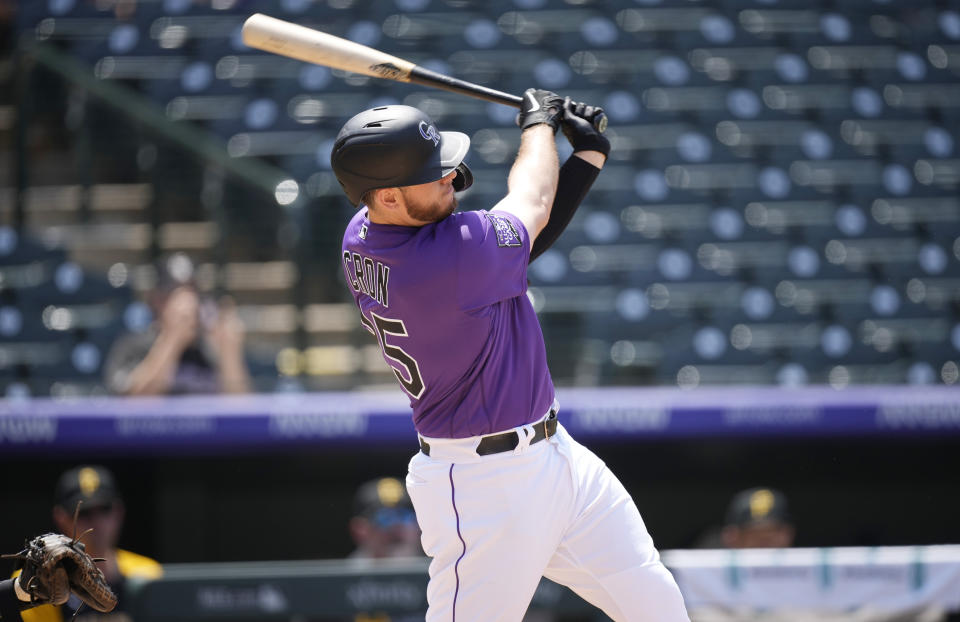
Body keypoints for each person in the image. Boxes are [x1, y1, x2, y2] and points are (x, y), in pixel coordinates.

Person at [331, 91, 690, 621]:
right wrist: (538, 125)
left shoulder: (363, 235)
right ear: (385, 196)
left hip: (555, 456)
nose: (450, 178)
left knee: (653, 601)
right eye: (432, 175)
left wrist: (584, 159)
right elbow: (532, 204)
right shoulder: (448, 259)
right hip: (483, 487)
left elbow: (519, 245)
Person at [15, 465, 162, 622]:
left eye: (104, 509)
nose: (97, 522)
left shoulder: (149, 574)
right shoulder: (37, 581)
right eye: (84, 512)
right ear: (61, 518)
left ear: (119, 511)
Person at [103, 252, 251, 395]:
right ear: (155, 299)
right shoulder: (132, 346)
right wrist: (173, 338)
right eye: (172, 294)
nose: (186, 304)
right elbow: (131, 406)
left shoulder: (210, 350)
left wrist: (229, 352)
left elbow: (239, 412)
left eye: (191, 293)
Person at [349, 477, 423, 560]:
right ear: (360, 530)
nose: (397, 526)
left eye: (404, 516)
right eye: (385, 518)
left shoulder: (438, 566)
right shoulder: (345, 572)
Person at [721, 487, 796, 549]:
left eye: (771, 532)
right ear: (733, 537)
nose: (764, 541)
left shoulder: (803, 564)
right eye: (754, 533)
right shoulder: (716, 565)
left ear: (788, 534)